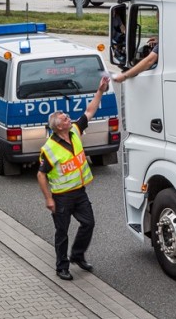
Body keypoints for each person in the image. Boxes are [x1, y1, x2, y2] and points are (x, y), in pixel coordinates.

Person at [37, 76, 110, 281]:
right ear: (58, 127)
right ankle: (62, 267)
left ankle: (77, 255)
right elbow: (41, 175)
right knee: (62, 232)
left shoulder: (75, 132)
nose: (69, 119)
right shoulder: (50, 149)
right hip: (61, 197)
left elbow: (89, 111)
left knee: (89, 223)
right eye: (65, 119)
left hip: (79, 193)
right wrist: (48, 199)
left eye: (68, 117)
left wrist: (100, 90)